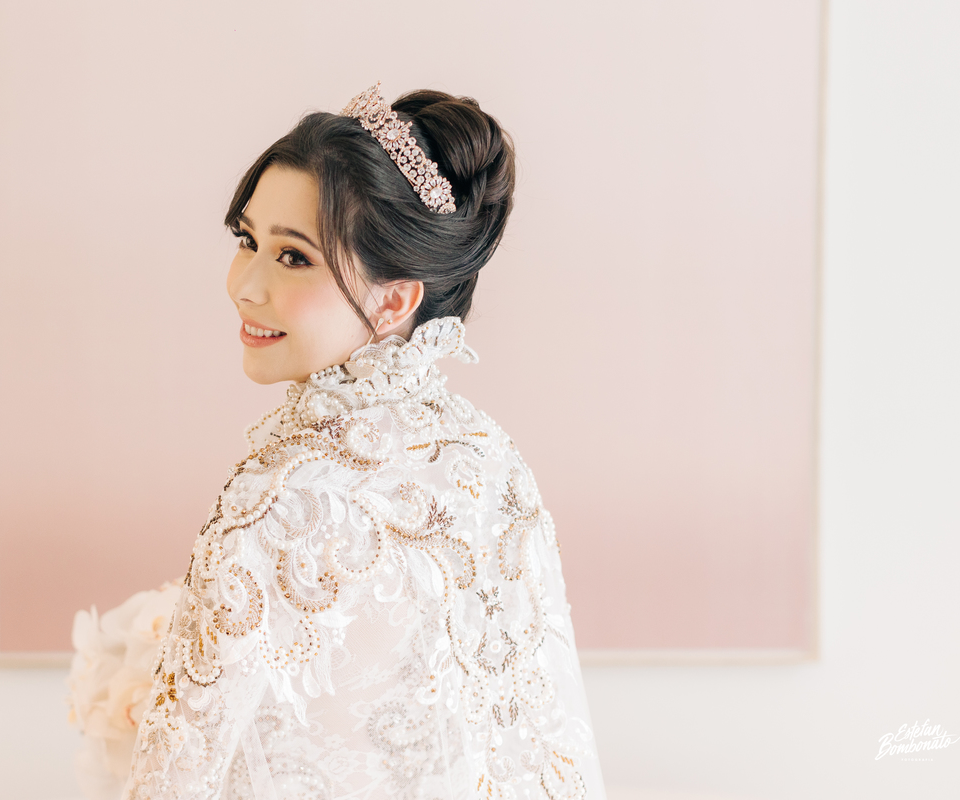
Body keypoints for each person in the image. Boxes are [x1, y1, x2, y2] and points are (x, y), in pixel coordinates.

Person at [121, 82, 607, 800]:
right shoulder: (488, 459)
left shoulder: (284, 499)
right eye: (247, 241)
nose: (244, 286)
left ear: (394, 299)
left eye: (293, 258)